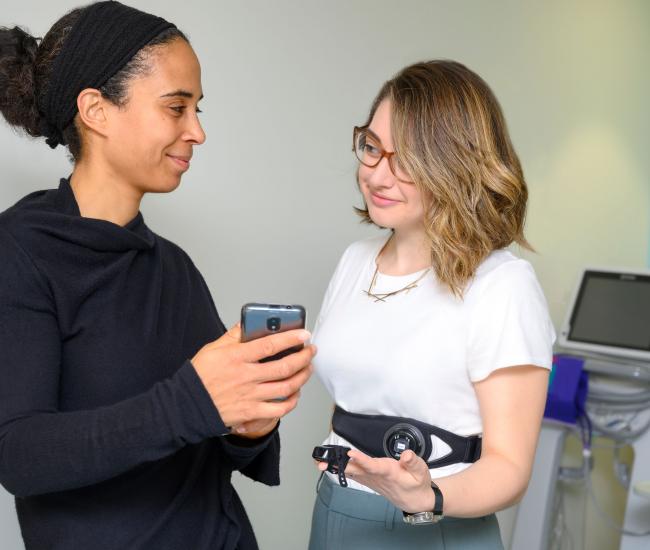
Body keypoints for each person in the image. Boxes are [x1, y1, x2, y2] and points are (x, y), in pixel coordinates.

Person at [0, 2, 314, 549]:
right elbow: (20, 455)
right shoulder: (21, 252)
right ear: (96, 110)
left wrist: (251, 422)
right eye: (176, 107)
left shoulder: (173, 266)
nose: (197, 131)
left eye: (198, 109)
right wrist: (195, 399)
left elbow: (216, 439)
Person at [308, 60, 555, 549]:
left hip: (437, 529)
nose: (376, 173)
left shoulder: (502, 284)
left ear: (454, 165)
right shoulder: (356, 262)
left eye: (405, 160)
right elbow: (355, 398)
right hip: (335, 511)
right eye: (372, 147)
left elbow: (509, 468)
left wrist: (428, 495)